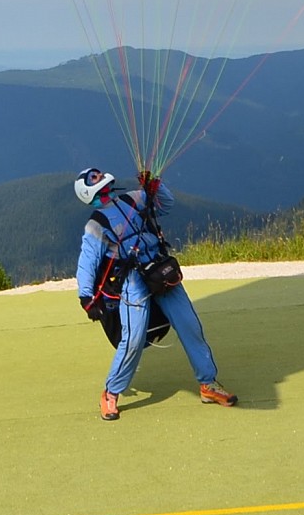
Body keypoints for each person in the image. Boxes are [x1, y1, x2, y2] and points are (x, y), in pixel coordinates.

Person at [75, 167, 235, 420]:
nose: (100, 176)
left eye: (98, 174)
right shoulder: (95, 225)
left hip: (161, 272)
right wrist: (86, 298)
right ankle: (111, 392)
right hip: (133, 281)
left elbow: (165, 204)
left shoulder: (132, 198)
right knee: (134, 339)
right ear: (87, 189)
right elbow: (87, 263)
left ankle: (208, 384)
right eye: (93, 177)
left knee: (189, 325)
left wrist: (154, 185)